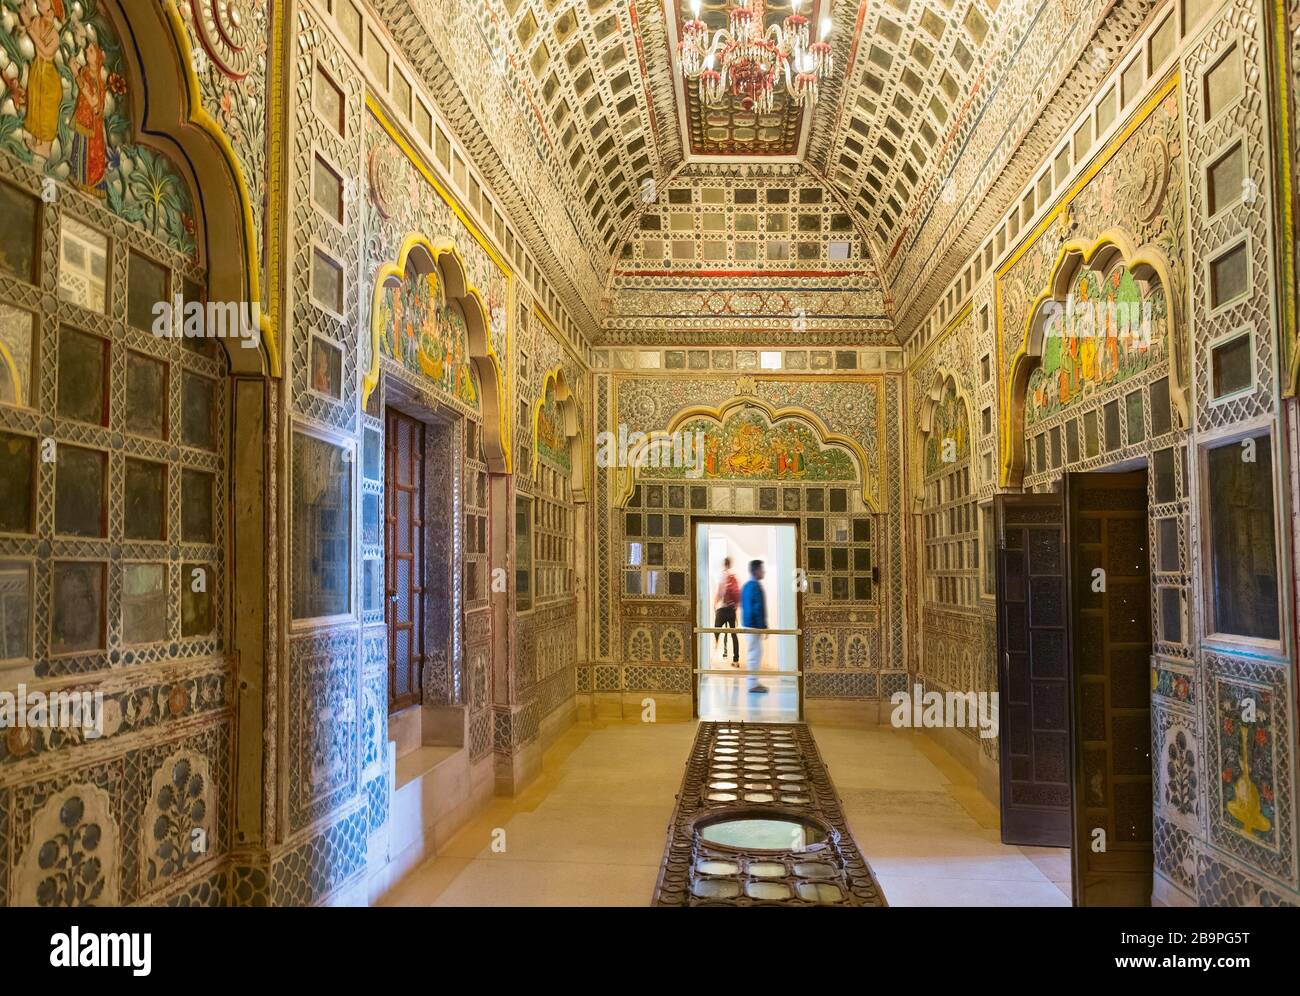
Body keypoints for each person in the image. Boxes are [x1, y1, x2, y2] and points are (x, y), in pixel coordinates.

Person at [740, 559, 768, 694]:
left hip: (747, 624)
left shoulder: (746, 586)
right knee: (755, 654)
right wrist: (763, 626)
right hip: (754, 626)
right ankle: (752, 685)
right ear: (756, 571)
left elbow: (744, 606)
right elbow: (757, 608)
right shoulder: (755, 586)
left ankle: (754, 682)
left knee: (754, 653)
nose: (764, 571)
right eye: (762, 569)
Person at [713, 557, 740, 665]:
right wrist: (735, 608)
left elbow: (720, 592)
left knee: (715, 631)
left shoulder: (722, 575)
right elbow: (737, 595)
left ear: (724, 564)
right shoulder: (733, 576)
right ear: (730, 564)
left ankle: (713, 655)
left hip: (722, 609)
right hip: (731, 610)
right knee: (733, 634)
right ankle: (736, 660)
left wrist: (714, 603)